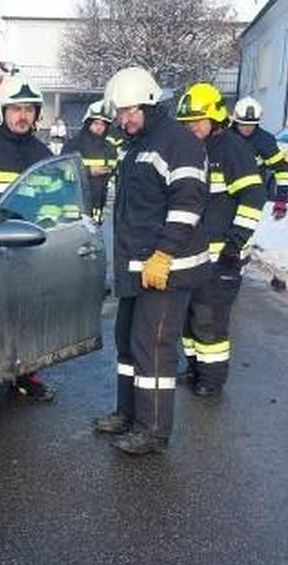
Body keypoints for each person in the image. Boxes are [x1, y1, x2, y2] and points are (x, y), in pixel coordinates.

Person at [91, 67, 209, 455]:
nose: (124, 119)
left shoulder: (177, 143)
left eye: (130, 111)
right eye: (120, 113)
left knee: (153, 346)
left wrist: (164, 254)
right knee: (127, 342)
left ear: (150, 103)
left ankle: (153, 430)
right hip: (139, 267)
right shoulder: (139, 144)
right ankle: (127, 413)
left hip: (167, 269)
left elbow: (187, 206)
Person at [0, 77, 57, 402]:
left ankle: (25, 374)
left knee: (26, 316)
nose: (22, 116)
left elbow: (53, 208)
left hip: (28, 251)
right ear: (3, 112)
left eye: (29, 109)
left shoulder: (44, 156)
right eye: (16, 108)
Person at [176, 83, 267, 397]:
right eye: (187, 122)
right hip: (194, 256)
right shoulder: (193, 149)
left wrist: (236, 241)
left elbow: (254, 195)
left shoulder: (231, 149)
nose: (192, 127)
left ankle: (212, 381)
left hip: (223, 256)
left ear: (214, 117)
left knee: (209, 321)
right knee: (189, 319)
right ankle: (194, 370)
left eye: (197, 120)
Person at [232, 97, 288, 220]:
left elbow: (282, 170)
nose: (247, 128)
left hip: (253, 196)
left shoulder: (265, 141)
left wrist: (281, 201)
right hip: (226, 196)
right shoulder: (225, 138)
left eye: (252, 124)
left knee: (243, 231)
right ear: (235, 120)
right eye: (243, 124)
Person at [63, 99, 122, 221]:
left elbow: (114, 170)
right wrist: (88, 171)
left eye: (103, 124)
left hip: (98, 206)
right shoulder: (73, 145)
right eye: (96, 123)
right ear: (88, 123)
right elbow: (63, 172)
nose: (99, 127)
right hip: (74, 208)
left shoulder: (109, 148)